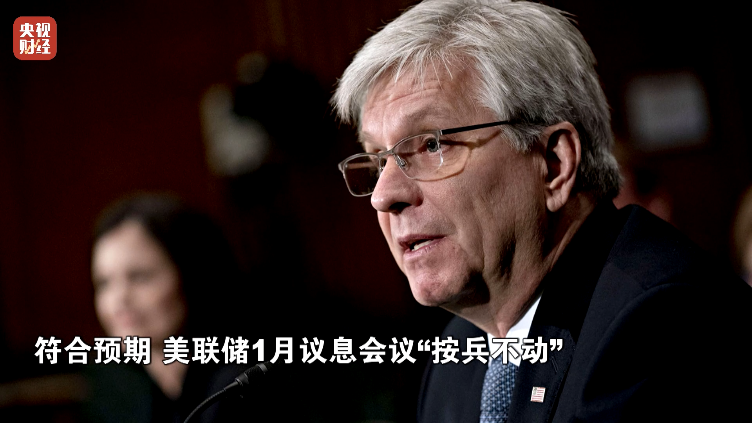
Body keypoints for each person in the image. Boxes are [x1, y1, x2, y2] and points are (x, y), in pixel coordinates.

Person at [331, 1, 752, 422]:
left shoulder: (660, 322)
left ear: (553, 164)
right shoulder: (455, 360)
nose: (383, 196)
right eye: (378, 158)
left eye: (431, 144)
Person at [86, 193, 248, 423]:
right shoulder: (110, 388)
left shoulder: (245, 381)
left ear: (193, 275)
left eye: (140, 277)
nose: (119, 298)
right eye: (104, 283)